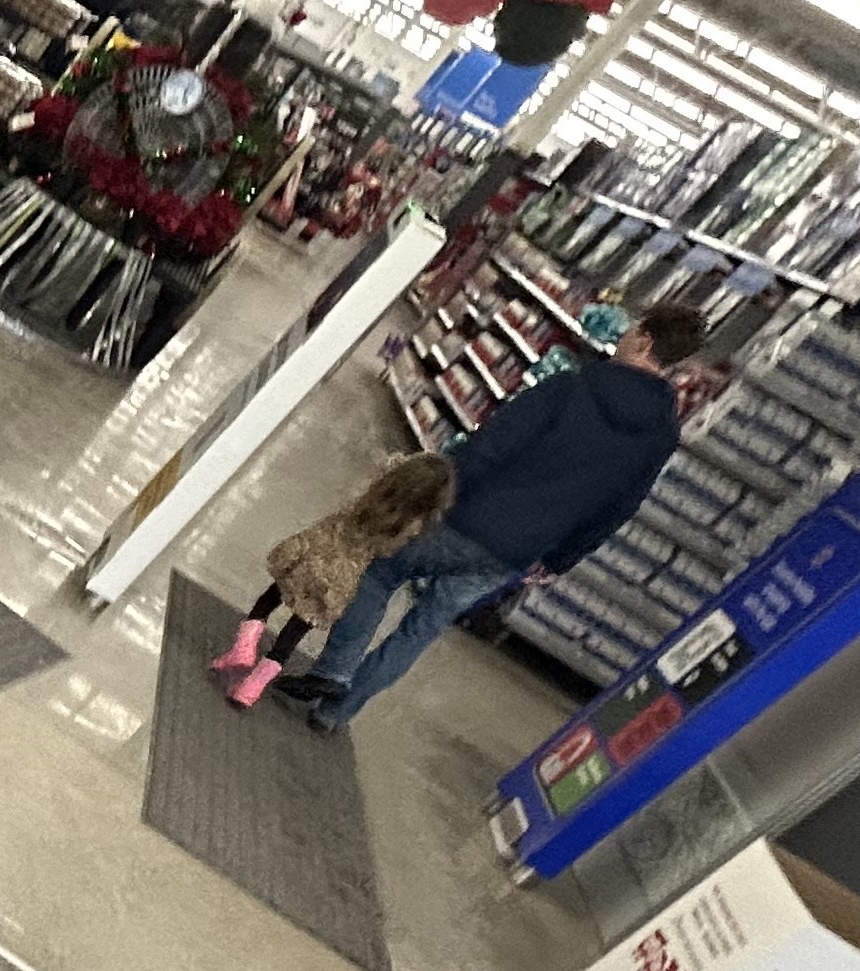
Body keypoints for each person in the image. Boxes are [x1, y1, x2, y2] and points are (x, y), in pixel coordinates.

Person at [286, 307, 701, 733]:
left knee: (381, 572)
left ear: (644, 341)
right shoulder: (662, 436)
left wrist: (439, 486)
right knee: (422, 627)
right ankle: (334, 712)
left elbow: (494, 443)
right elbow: (619, 506)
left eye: (633, 329)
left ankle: (335, 671)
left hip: (467, 517)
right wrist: (560, 559)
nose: (625, 334)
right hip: (517, 551)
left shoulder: (570, 387)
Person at [207, 449, 457, 706]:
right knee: (295, 630)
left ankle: (243, 648)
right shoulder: (410, 524)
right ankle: (250, 690)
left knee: (271, 597)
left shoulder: (379, 484)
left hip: (315, 552)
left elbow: (388, 462)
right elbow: (386, 550)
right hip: (338, 577)